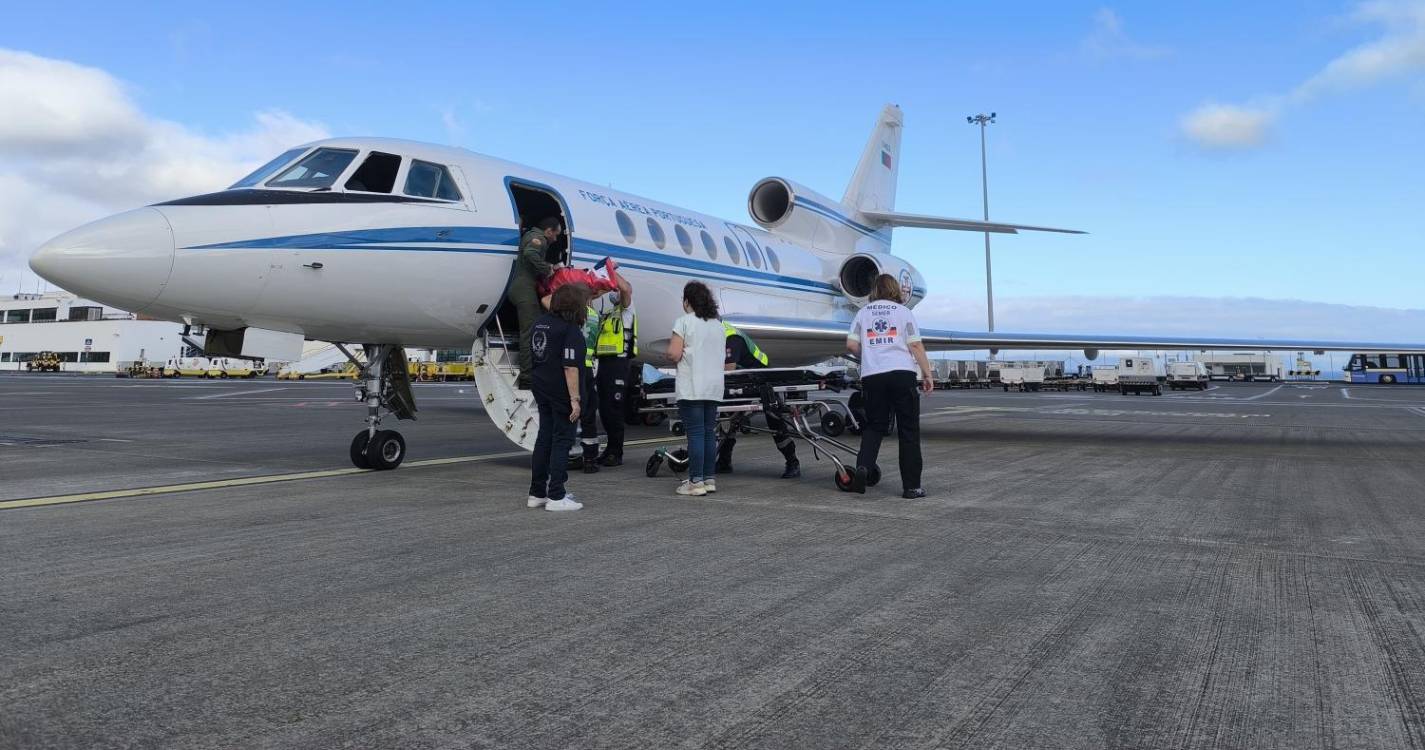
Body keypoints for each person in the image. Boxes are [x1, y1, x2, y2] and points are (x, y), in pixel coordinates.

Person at [844, 274, 935, 499]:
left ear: (874, 291)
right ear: (895, 290)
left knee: (875, 425)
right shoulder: (904, 312)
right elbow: (915, 345)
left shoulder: (863, 313)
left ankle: (864, 467)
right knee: (908, 430)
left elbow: (851, 344)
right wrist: (927, 373)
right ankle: (912, 487)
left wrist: (868, 354)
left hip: (873, 375)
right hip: (901, 374)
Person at [526, 284, 589, 512]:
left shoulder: (539, 324)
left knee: (544, 438)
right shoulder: (569, 330)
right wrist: (575, 399)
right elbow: (570, 367)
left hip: (540, 386)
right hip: (561, 392)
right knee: (562, 441)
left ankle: (537, 492)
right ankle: (556, 495)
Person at [716, 324, 800, 479]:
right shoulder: (718, 334)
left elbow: (729, 367)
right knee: (727, 419)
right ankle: (724, 461)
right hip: (741, 381)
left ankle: (792, 462)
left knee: (775, 421)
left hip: (762, 381)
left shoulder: (731, 337)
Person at [666, 281, 725, 497]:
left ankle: (695, 482)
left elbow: (673, 353)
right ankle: (709, 479)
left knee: (696, 433)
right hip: (714, 387)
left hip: (692, 386)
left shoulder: (684, 322)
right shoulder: (718, 324)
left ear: (687, 301)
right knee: (709, 432)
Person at [512, 217, 563, 388]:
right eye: (555, 234)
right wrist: (547, 269)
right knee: (530, 331)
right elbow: (530, 254)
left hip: (524, 286)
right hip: (523, 288)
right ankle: (527, 378)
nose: (555, 239)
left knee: (536, 325)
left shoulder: (532, 235)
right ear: (549, 231)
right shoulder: (538, 238)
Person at [594, 277, 637, 466]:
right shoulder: (610, 314)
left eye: (615, 290)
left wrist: (611, 273)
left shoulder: (626, 311)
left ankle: (616, 452)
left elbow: (627, 288)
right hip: (604, 365)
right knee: (604, 409)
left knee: (614, 409)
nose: (615, 292)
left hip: (618, 365)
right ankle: (609, 449)